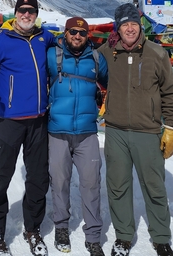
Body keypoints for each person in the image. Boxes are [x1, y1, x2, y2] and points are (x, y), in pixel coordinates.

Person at [0, 0, 56, 256]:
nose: (26, 15)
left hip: (38, 122)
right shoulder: (0, 40)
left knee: (38, 179)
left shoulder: (45, 38)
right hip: (8, 121)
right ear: (15, 12)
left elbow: (71, 47)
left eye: (31, 11)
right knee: (0, 177)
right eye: (23, 10)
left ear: (36, 13)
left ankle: (32, 230)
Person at [97, 3, 173, 256]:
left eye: (133, 23)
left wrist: (171, 128)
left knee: (154, 186)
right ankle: (123, 236)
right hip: (116, 131)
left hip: (148, 131)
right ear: (117, 29)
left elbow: (169, 91)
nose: (129, 28)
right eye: (124, 24)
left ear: (140, 25)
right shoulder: (105, 52)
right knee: (118, 186)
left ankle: (161, 237)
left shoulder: (156, 53)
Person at [47, 16, 108, 256]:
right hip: (57, 131)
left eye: (82, 33)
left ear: (87, 36)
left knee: (91, 183)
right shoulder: (52, 55)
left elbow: (112, 83)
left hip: (87, 133)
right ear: (65, 33)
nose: (77, 36)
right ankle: (61, 227)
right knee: (59, 182)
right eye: (73, 32)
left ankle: (93, 236)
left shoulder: (95, 58)